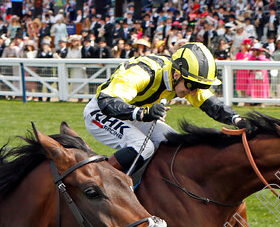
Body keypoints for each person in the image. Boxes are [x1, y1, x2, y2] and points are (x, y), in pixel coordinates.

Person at [83, 42, 247, 173]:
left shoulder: (184, 80)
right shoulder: (143, 72)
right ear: (176, 75)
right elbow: (108, 101)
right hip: (101, 113)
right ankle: (98, 180)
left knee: (176, 145)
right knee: (143, 146)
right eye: (193, 85)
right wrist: (141, 113)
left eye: (199, 87)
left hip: (136, 114)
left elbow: (213, 105)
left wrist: (237, 119)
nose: (194, 91)